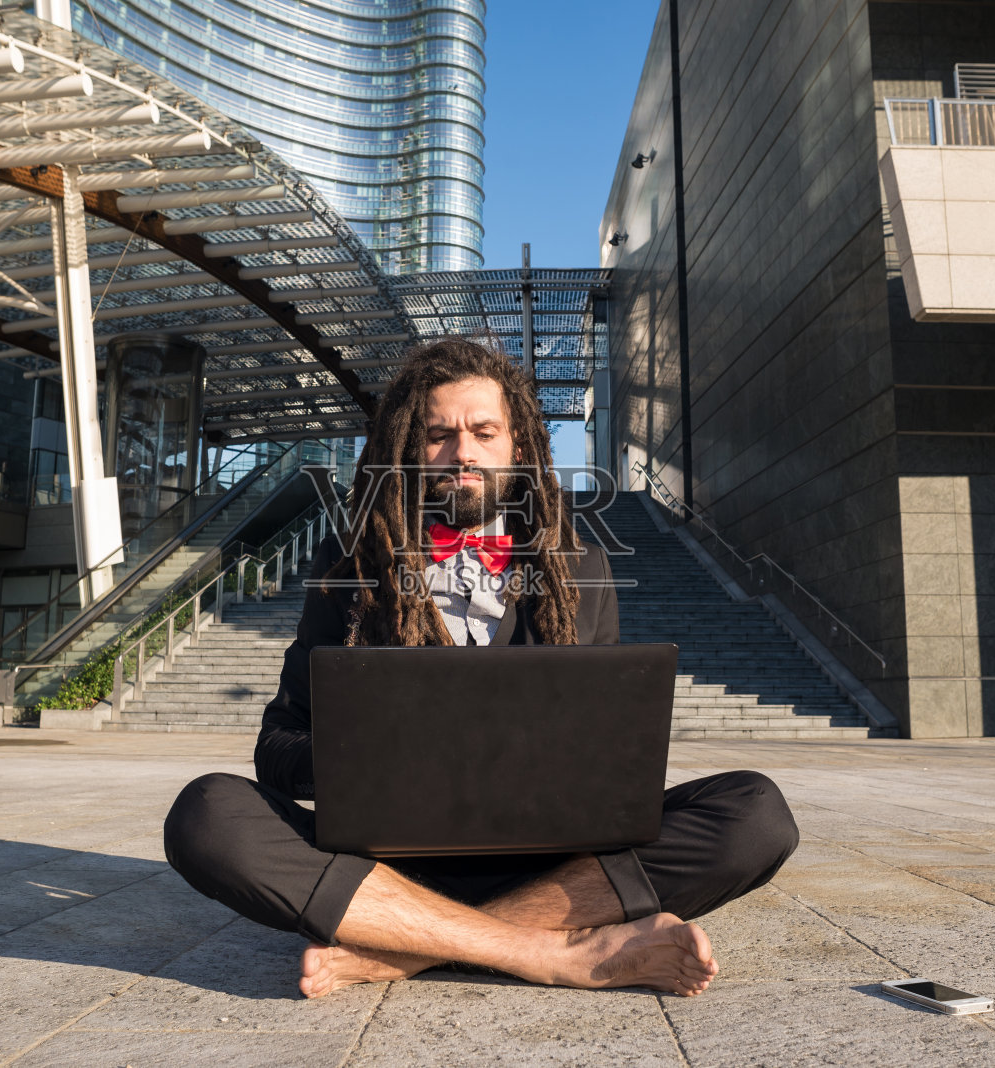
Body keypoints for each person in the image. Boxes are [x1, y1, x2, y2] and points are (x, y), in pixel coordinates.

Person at [164, 337, 800, 999]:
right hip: (389, 872)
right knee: (206, 814)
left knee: (755, 815)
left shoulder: (579, 565)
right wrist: (364, 760)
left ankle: (404, 950)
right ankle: (540, 952)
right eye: (437, 434)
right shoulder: (350, 565)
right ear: (408, 448)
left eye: (483, 431)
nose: (461, 453)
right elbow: (278, 749)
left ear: (518, 445)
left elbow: (612, 748)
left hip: (554, 873)